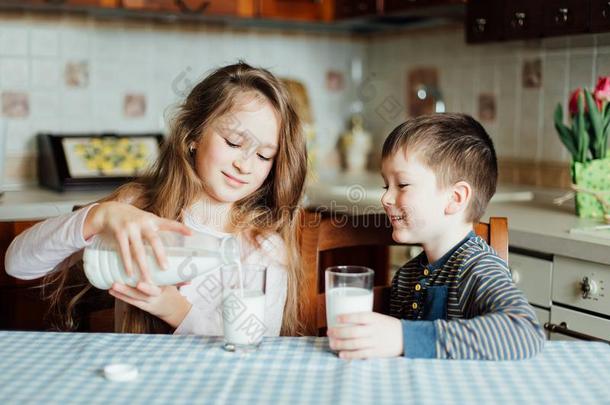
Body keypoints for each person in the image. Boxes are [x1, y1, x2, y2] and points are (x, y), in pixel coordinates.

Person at [5, 62, 307, 336]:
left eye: (264, 155)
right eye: (233, 142)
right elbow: (18, 264)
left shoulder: (262, 247)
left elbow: (259, 343)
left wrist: (174, 308)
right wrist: (99, 216)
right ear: (193, 136)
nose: (246, 164)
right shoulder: (138, 210)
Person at [327, 113, 545, 360]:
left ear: (455, 198)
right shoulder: (406, 277)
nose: (386, 199)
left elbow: (523, 332)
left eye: (403, 185)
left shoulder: (478, 268)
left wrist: (403, 337)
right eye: (386, 186)